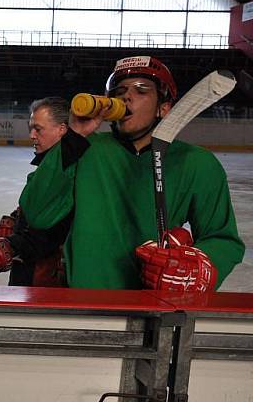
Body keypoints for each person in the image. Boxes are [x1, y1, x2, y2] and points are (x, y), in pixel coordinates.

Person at [17, 56, 244, 292]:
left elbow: (222, 239)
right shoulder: (82, 150)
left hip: (156, 308)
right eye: (120, 91)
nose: (126, 96)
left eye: (141, 90)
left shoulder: (196, 163)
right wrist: (74, 137)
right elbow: (38, 213)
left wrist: (196, 268)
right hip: (84, 304)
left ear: (164, 108)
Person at [0, 97, 71, 286]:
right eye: (31, 128)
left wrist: (10, 247)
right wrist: (17, 221)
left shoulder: (70, 171)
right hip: (30, 274)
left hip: (46, 283)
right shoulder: (49, 169)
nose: (32, 135)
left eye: (38, 129)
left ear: (62, 130)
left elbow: (54, 231)